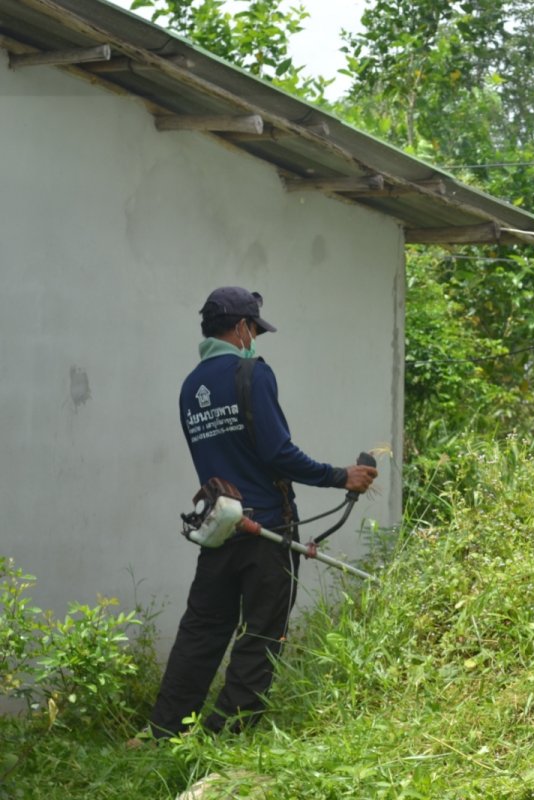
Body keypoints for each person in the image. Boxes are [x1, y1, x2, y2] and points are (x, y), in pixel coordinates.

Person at [143, 286, 377, 741]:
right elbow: (277, 452)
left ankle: (165, 730)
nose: (256, 339)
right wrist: (339, 476)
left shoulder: (190, 386)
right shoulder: (252, 373)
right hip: (267, 527)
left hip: (218, 526)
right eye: (255, 330)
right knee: (263, 633)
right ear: (242, 327)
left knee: (202, 632)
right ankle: (226, 734)